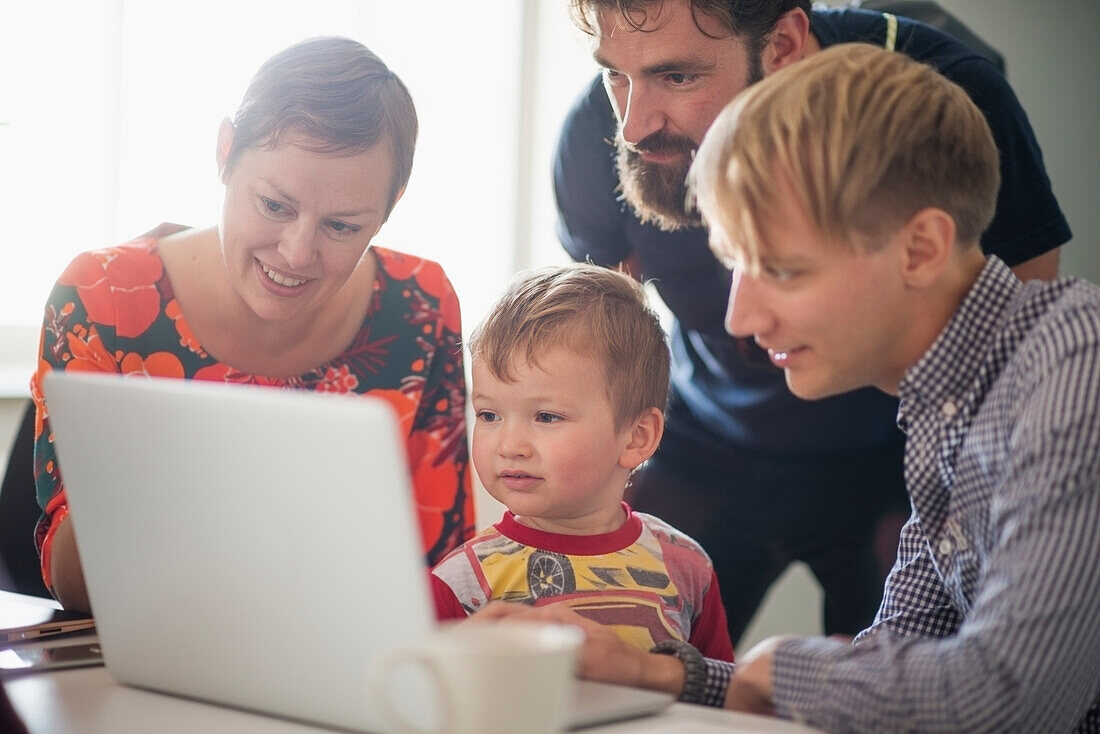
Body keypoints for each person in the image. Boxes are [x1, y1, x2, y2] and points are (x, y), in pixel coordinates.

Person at [488, 43, 1099, 731]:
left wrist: (785, 664)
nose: (739, 319)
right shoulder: (946, 401)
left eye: (780, 270)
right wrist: (653, 669)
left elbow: (1013, 697)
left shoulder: (1074, 366)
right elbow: (893, 666)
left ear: (921, 249)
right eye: (734, 268)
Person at [31, 37, 475, 613]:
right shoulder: (102, 295)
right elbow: (74, 585)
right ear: (224, 152)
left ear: (391, 204)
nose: (296, 253)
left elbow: (442, 572)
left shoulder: (422, 305)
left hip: (347, 674)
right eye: (273, 205)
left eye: (341, 227)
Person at [432, 264, 734, 662]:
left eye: (546, 417)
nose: (510, 445)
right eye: (490, 415)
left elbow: (721, 699)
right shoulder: (461, 581)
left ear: (636, 437)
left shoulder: (687, 567)